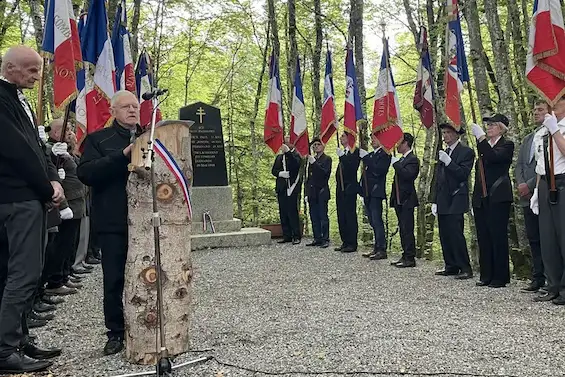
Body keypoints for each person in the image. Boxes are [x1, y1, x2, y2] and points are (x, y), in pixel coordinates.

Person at [0, 46, 64, 373]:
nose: (38, 77)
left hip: (32, 196)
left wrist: (54, 179)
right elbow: (17, 152)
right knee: (22, 275)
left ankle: (19, 339)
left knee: (25, 273)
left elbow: (40, 149)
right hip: (17, 199)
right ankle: (4, 350)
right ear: (10, 68)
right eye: (32, 71)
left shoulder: (19, 100)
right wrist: (44, 188)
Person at [78, 90, 141, 355]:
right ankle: (115, 331)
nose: (132, 110)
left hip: (149, 222)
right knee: (115, 278)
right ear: (113, 111)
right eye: (125, 106)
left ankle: (148, 325)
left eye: (136, 106)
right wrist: (123, 156)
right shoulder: (98, 139)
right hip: (114, 220)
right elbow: (87, 173)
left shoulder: (153, 136)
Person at [470, 115, 514, 288]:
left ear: (502, 128)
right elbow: (478, 177)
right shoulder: (484, 149)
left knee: (497, 236)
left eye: (492, 125)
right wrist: (475, 200)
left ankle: (500, 276)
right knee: (484, 236)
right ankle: (486, 274)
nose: (488, 127)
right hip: (482, 198)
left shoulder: (507, 145)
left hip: (498, 196)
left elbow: (494, 158)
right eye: (487, 125)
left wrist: (481, 139)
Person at [44, 121, 86, 296]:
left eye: (70, 129)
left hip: (76, 202)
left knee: (69, 244)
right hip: (65, 202)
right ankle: (55, 280)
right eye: (66, 130)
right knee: (60, 245)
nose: (70, 133)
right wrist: (63, 206)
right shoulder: (51, 149)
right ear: (55, 132)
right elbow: (51, 171)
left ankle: (64, 275)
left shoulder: (65, 151)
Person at [530, 97, 565, 304]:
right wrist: (536, 190)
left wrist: (555, 130)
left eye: (558, 99)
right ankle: (553, 285)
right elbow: (540, 164)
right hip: (544, 183)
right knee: (548, 238)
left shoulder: (556, 128)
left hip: (562, 181)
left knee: (563, 237)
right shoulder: (541, 132)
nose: (555, 103)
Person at [431, 122, 475, 279]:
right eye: (444, 133)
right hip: (443, 197)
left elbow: (463, 174)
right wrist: (434, 199)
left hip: (456, 197)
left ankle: (465, 267)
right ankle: (451, 265)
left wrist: (449, 162)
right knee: (444, 233)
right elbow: (438, 179)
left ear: (457, 134)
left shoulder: (466, 152)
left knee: (456, 233)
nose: (446, 136)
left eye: (449, 132)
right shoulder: (444, 151)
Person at [516, 102, 547, 292]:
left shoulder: (550, 135)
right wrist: (521, 184)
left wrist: (528, 185)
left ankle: (552, 278)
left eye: (540, 110)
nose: (536, 113)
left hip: (541, 191)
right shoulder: (528, 138)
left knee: (546, 238)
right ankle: (537, 277)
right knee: (533, 238)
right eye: (534, 110)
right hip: (526, 196)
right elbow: (519, 164)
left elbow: (542, 165)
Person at [389, 133, 419, 268]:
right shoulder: (402, 160)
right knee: (402, 228)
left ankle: (410, 257)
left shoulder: (413, 159)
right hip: (399, 198)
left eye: (399, 142)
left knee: (407, 228)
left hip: (407, 199)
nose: (397, 145)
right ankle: (405, 254)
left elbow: (408, 175)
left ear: (406, 143)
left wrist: (396, 164)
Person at [360, 134, 391, 260]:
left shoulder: (385, 154)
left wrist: (366, 158)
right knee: (372, 221)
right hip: (367, 192)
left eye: (375, 138)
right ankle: (376, 247)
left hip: (376, 192)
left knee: (377, 220)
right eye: (371, 138)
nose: (372, 141)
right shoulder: (372, 155)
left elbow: (378, 171)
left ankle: (382, 249)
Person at [271, 136, 302, 244]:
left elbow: (295, 165)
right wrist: (280, 173)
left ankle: (296, 235)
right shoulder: (279, 157)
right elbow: (273, 170)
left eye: (288, 143)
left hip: (291, 188)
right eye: (285, 142)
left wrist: (288, 152)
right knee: (283, 212)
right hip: (281, 188)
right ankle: (287, 235)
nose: (286, 145)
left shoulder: (296, 155)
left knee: (292, 212)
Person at [335, 132, 360, 252]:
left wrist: (342, 157)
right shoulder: (343, 152)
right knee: (341, 216)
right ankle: (344, 241)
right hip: (340, 189)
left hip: (349, 188)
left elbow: (352, 168)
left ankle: (352, 243)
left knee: (349, 216)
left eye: (343, 136)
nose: (340, 138)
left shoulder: (355, 151)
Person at [306, 138, 332, 248]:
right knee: (314, 216)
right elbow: (309, 178)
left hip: (321, 191)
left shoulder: (327, 159)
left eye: (318, 144)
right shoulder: (313, 159)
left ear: (323, 146)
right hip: (312, 192)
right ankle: (317, 238)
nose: (316, 146)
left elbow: (324, 174)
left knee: (323, 216)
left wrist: (315, 163)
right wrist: (307, 193)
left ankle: (325, 238)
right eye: (314, 145)